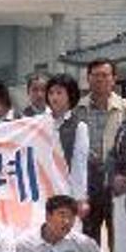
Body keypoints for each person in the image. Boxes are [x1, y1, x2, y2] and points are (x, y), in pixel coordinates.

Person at [74, 57, 126, 252]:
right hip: (88, 184)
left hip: (117, 183)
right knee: (89, 237)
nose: (100, 79)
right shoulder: (78, 109)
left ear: (114, 79)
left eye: (105, 75)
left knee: (120, 239)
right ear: (88, 78)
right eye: (95, 75)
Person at [46, 74, 89, 210]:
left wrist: (80, 198)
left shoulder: (79, 127)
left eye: (59, 93)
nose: (54, 97)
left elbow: (79, 165)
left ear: (70, 95)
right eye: (51, 93)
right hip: (42, 186)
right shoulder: (39, 123)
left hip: (65, 189)